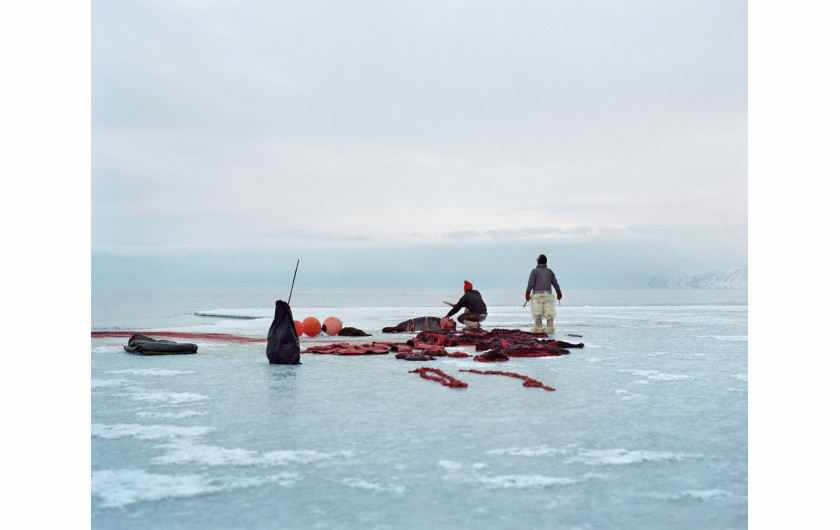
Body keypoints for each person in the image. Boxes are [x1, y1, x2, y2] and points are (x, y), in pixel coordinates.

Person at [525, 254, 562, 334]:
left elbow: (531, 283)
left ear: (538, 261)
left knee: (537, 312)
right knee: (549, 313)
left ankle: (538, 328)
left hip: (537, 295)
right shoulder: (550, 271)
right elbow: (555, 283)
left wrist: (527, 293)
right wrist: (559, 292)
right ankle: (550, 328)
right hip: (548, 295)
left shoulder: (534, 271)